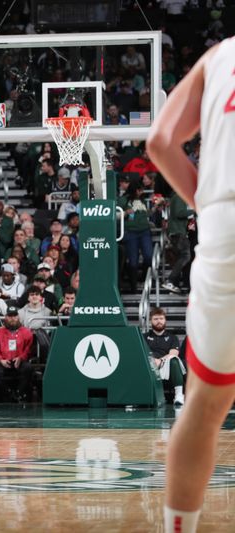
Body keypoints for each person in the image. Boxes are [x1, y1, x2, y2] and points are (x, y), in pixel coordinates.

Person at [146, 40, 235, 533]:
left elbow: (159, 141)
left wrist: (210, 206)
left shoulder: (222, 54)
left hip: (225, 217)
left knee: (205, 402)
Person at [0, 306, 35, 402]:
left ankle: (19, 393)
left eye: (14, 316)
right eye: (10, 316)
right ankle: (8, 393)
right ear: (6, 317)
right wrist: (1, 360)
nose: (12, 319)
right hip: (4, 361)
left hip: (19, 361)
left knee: (28, 368)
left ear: (18, 317)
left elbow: (29, 348)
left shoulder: (26, 332)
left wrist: (21, 358)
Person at [144, 307, 185, 406]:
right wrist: (153, 361)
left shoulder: (172, 337)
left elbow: (173, 353)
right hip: (149, 364)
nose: (159, 321)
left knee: (174, 360)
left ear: (165, 320)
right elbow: (141, 353)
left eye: (161, 319)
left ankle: (179, 395)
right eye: (156, 319)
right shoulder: (144, 336)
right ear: (151, 321)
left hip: (166, 365)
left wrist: (160, 361)